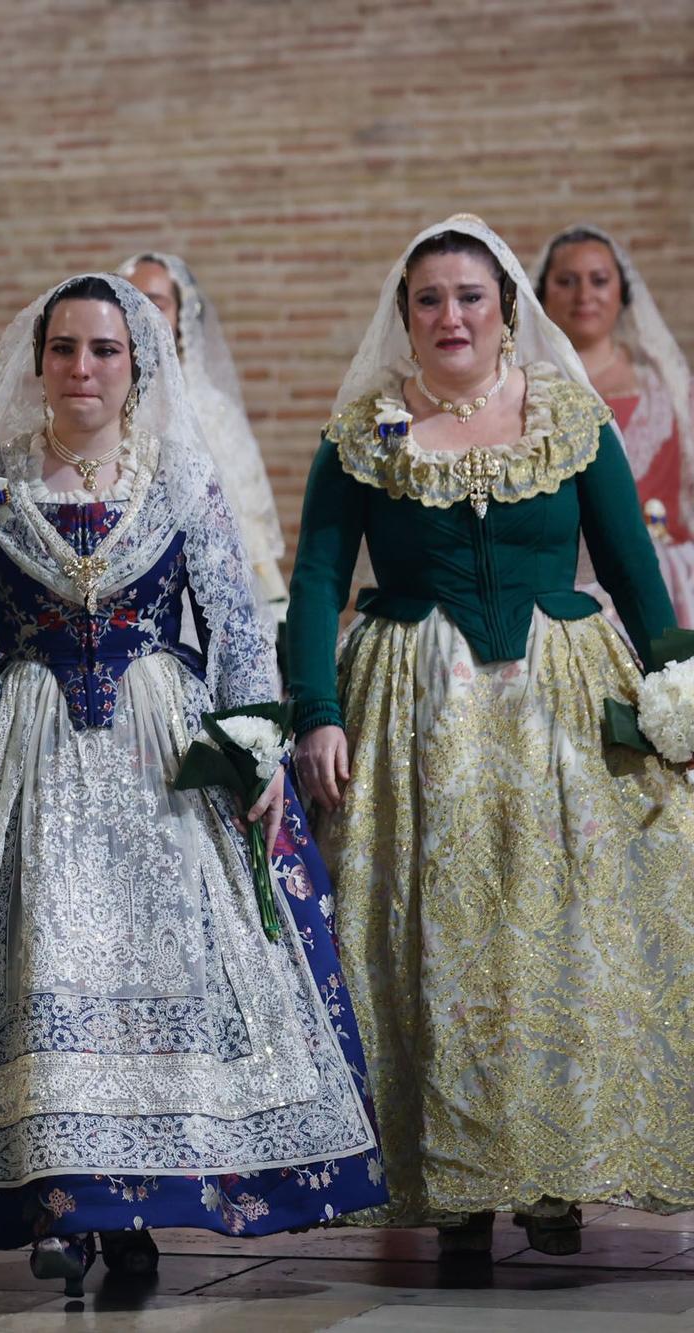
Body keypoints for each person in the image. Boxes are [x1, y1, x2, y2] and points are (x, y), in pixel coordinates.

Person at [0, 273, 383, 1295]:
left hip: (157, 754)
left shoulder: (179, 482)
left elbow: (235, 626)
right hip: (22, 747)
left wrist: (251, 748)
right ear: (39, 364)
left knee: (156, 966)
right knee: (40, 955)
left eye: (103, 351)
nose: (81, 368)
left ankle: (138, 1201)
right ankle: (57, 1202)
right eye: (63, 349)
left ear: (135, 368)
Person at [289, 215, 694, 1257]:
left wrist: (676, 691)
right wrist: (315, 712)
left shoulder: (568, 418)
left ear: (507, 309)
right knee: (434, 940)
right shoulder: (359, 436)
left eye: (469, 296)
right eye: (428, 300)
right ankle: (453, 1181)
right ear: (404, 316)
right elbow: (317, 585)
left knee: (555, 929)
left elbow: (633, 573)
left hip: (555, 708)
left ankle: (554, 1172)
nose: (449, 316)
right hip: (411, 711)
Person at [534, 224, 694, 622]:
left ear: (622, 291)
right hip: (561, 597)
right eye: (566, 281)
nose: (584, 295)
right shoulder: (524, 391)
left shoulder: (667, 385)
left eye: (599, 280)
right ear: (540, 293)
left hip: (672, 584)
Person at [119, 251, 288, 618]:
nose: (142, 315)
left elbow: (247, 518)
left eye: (157, 303)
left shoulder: (214, 409)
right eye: (129, 303)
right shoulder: (103, 407)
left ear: (181, 315)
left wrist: (275, 605)